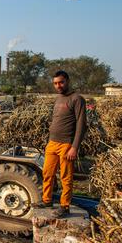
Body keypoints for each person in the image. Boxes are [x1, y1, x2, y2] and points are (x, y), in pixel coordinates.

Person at [32, 71, 87, 218]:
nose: (58, 86)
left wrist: (74, 147)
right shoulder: (58, 99)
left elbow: (81, 125)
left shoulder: (77, 99)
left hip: (66, 145)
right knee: (47, 173)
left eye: (61, 82)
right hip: (52, 143)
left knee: (66, 177)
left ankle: (65, 206)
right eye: (55, 83)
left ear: (67, 81)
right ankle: (47, 200)